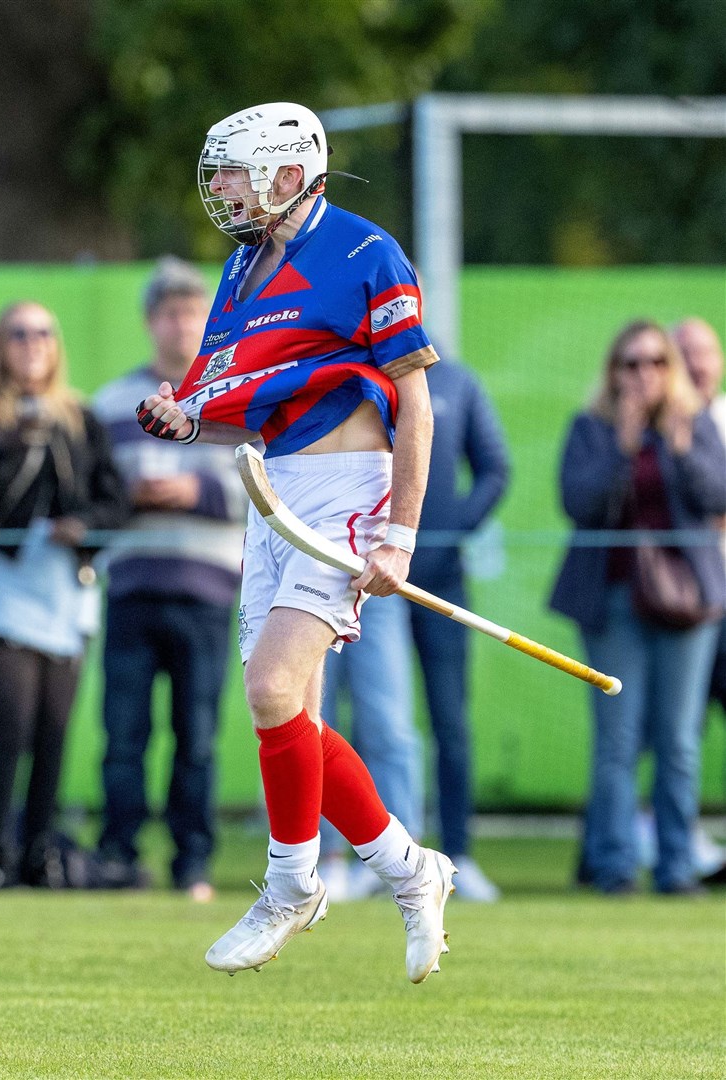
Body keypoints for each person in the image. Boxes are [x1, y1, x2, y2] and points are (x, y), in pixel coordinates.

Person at [138, 101, 456, 982]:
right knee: (290, 717)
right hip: (272, 492)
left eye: (236, 172)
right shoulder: (241, 271)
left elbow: (416, 402)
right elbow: (227, 400)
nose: (223, 190)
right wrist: (183, 414)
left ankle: (292, 886)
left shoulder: (364, 250)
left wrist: (400, 536)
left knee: (272, 686)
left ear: (288, 171)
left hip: (351, 493)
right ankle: (408, 869)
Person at [0, 301, 127, 888]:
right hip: (1, 587)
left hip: (64, 587)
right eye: (18, 334)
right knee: (13, 724)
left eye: (43, 333)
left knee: (54, 730)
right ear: (0, 345)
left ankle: (39, 850)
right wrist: (14, 447)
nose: (31, 344)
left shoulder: (80, 418)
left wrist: (83, 527)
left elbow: (113, 502)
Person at [548, 320, 726, 895]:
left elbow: (718, 497)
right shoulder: (592, 428)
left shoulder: (693, 425)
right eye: (631, 363)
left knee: (678, 740)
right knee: (618, 740)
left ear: (671, 369)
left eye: (655, 362)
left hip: (687, 602)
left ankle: (677, 868)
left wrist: (679, 448)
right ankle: (614, 865)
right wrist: (623, 450)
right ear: (614, 371)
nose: (643, 374)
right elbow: (577, 503)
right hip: (614, 601)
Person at [90, 257, 243, 899]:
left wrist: (193, 489)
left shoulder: (238, 398)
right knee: (122, 736)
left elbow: (263, 493)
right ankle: (119, 857)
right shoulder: (106, 403)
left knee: (199, 737)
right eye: (169, 313)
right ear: (150, 322)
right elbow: (92, 495)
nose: (181, 325)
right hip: (130, 587)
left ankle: (193, 864)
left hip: (207, 591)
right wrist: (134, 497)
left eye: (192, 312)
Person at [405, 353, 510, 901]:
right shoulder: (361, 367)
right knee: (383, 724)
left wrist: (454, 527)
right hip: (372, 582)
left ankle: (457, 855)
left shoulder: (457, 380)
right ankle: (388, 859)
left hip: (443, 581)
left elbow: (496, 467)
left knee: (450, 722)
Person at [317, 595, 422, 902]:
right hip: (308, 585)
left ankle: (405, 863)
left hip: (375, 591)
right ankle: (325, 858)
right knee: (313, 725)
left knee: (389, 728)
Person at [673, 317, 726, 887]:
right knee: (670, 733)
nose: (696, 364)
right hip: (690, 601)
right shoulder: (670, 422)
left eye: (705, 352)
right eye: (683, 352)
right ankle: (671, 845)